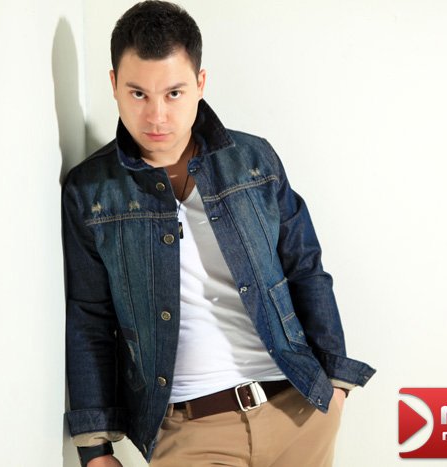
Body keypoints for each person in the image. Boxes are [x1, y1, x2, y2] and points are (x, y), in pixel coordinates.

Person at [62, 2, 375, 466]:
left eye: (173, 93)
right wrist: (95, 448)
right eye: (138, 94)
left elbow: (305, 267)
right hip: (188, 432)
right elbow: (89, 317)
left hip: (297, 411)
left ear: (200, 83)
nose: (156, 116)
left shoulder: (253, 160)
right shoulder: (91, 192)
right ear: (113, 85)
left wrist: (336, 383)